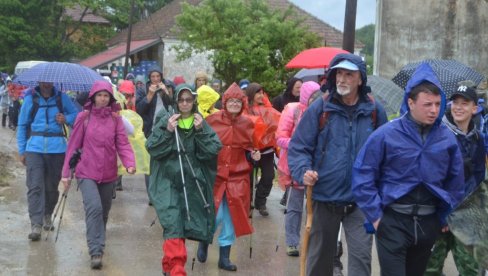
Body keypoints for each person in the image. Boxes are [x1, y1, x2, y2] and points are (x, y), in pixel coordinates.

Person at [351, 63, 465, 276]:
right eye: (427, 104)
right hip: (392, 221)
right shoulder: (385, 135)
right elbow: (363, 174)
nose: (434, 110)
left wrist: (446, 215)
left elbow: (456, 181)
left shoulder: (447, 138)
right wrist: (376, 216)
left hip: (427, 223)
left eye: (438, 104)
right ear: (410, 102)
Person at [288, 53, 388, 276]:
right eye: (338, 74)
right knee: (319, 264)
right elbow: (299, 147)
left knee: (361, 263)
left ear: (360, 79)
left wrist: (381, 192)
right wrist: (303, 171)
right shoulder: (320, 108)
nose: (342, 79)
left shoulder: (374, 111)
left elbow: (387, 154)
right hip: (324, 197)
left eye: (349, 75)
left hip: (361, 200)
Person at [146, 84, 222, 276]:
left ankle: (168, 265)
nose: (185, 103)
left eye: (189, 100)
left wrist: (201, 131)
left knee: (184, 224)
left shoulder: (200, 121)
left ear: (194, 101)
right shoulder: (166, 119)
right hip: (167, 182)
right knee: (173, 223)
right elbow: (153, 148)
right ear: (176, 101)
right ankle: (177, 269)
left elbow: (213, 149)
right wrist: (168, 131)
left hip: (192, 183)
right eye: (181, 100)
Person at [61, 80, 135, 269]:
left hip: (109, 173)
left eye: (106, 96)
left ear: (110, 98)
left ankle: (97, 240)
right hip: (86, 172)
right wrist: (66, 174)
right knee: (93, 208)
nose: (102, 99)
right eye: (99, 95)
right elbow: (73, 146)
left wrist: (129, 163)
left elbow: (123, 143)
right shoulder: (83, 118)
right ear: (93, 97)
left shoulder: (115, 119)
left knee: (103, 212)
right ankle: (96, 250)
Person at [200, 83, 261, 271]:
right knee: (214, 215)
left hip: (238, 177)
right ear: (225, 102)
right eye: (231, 101)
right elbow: (201, 146)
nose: (234, 104)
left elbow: (250, 149)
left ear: (242, 103)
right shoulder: (211, 121)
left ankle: (224, 258)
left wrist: (254, 156)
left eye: (237, 101)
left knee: (231, 218)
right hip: (216, 176)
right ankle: (204, 240)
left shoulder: (248, 123)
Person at [424, 85, 485, 275]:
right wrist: (445, 213)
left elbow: (478, 175)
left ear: (474, 108)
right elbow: (432, 178)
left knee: (471, 269)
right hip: (438, 215)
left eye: (464, 103)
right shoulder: (438, 135)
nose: (458, 107)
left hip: (466, 216)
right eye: (455, 103)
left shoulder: (478, 138)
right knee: (430, 269)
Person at [16, 81, 79, 241]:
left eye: (49, 81)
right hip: (34, 148)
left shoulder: (62, 98)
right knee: (35, 186)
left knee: (51, 187)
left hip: (57, 148)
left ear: (53, 82)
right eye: (43, 81)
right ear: (38, 82)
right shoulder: (30, 99)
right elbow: (22, 125)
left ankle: (47, 214)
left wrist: (66, 118)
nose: (46, 84)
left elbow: (77, 116)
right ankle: (35, 224)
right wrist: (22, 150)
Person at [275, 81, 320, 257]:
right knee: (295, 207)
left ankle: (314, 243)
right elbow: (280, 138)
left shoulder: (322, 112)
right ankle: (292, 242)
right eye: (312, 97)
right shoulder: (293, 110)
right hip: (294, 165)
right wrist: (299, 143)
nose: (315, 101)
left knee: (317, 208)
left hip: (316, 167)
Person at [136, 64, 172, 203]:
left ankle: (162, 192)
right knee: (149, 163)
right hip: (149, 130)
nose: (156, 79)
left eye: (158, 76)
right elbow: (139, 110)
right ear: (149, 78)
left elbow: (172, 105)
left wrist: (166, 93)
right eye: (153, 77)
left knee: (164, 162)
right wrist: (150, 94)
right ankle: (152, 196)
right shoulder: (142, 90)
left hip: (165, 129)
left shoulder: (167, 86)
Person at [244, 82, 280, 217]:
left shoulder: (269, 108)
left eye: (262, 93)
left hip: (266, 151)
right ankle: (248, 204)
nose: (261, 95)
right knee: (249, 179)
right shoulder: (244, 109)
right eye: (258, 93)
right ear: (251, 94)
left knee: (269, 176)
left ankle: (260, 201)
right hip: (250, 151)